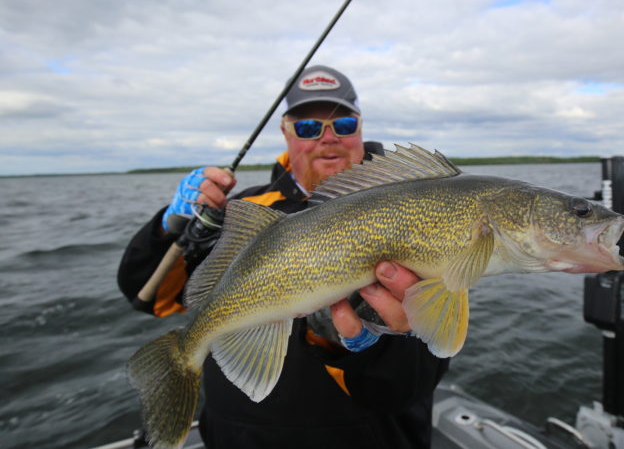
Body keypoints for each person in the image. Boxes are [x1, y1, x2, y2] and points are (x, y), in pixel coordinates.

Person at [117, 65, 449, 448]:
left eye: (343, 124)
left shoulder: (415, 210)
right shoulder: (243, 213)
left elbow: (410, 387)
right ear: (286, 133)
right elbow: (150, 297)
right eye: (308, 128)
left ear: (360, 128)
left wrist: (377, 344)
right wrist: (169, 225)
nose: (329, 139)